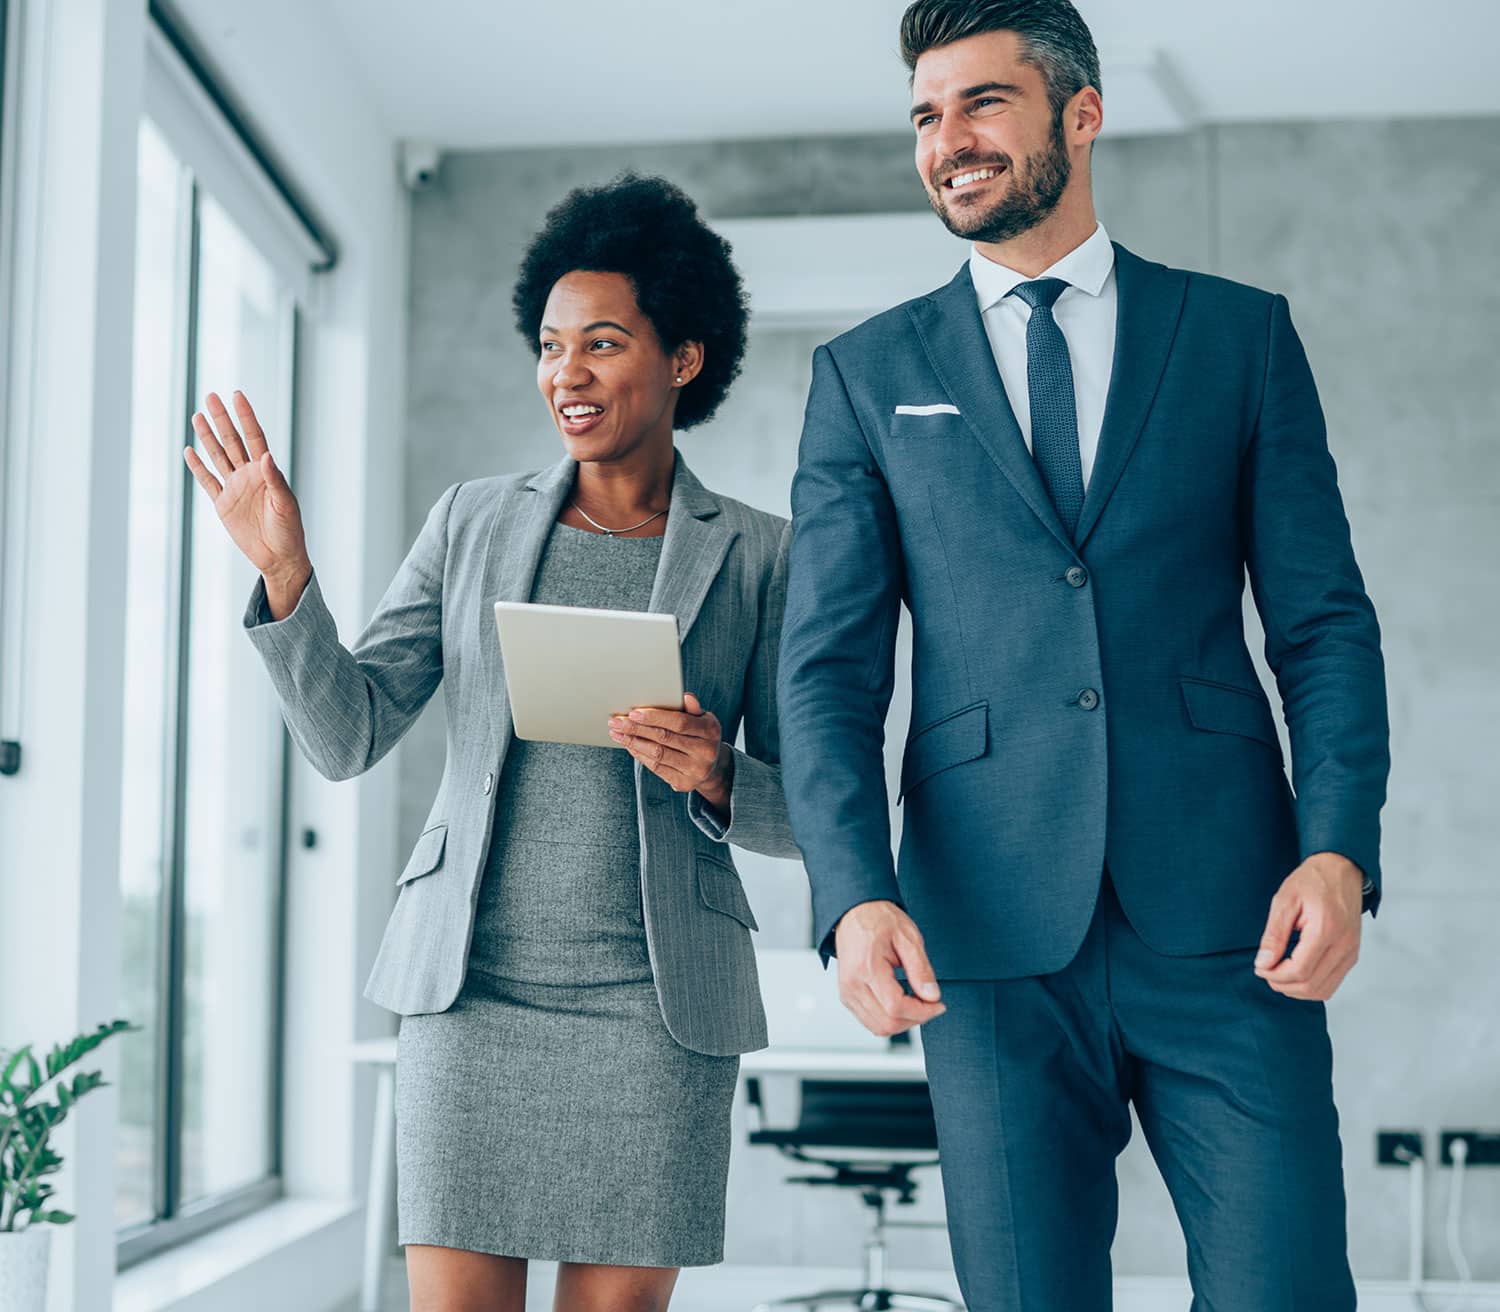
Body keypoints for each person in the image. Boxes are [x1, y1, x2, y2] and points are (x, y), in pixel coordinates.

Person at [776, 2, 1389, 1308]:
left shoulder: (1236, 340)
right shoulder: (866, 373)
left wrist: (1336, 850)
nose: (950, 140)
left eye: (984, 103)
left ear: (1081, 112)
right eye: (927, 116)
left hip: (1233, 922)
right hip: (985, 940)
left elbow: (1323, 625)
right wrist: (850, 892)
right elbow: (828, 671)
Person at [183, 174, 798, 1312]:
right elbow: (349, 732)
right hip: (470, 1000)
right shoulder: (473, 520)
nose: (566, 373)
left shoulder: (761, 554)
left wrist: (717, 771)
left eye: (603, 343)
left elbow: (813, 807)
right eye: (552, 344)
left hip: (653, 1014)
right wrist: (285, 576)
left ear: (685, 360)